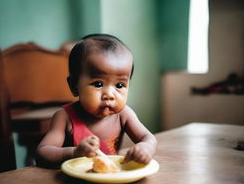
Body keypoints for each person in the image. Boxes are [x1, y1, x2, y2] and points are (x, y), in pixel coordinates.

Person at [37, 34, 157, 166]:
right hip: (72, 182)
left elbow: (148, 138)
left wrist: (146, 147)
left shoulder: (123, 115)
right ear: (74, 86)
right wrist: (75, 153)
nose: (109, 95)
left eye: (119, 85)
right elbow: (43, 152)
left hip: (109, 178)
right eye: (98, 84)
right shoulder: (64, 117)